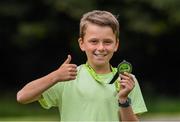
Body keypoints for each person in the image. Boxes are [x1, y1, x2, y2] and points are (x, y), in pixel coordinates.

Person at [17, 10, 147, 121]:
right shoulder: (67, 77)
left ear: (116, 45)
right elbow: (22, 97)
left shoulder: (127, 81)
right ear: (82, 43)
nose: (101, 48)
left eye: (107, 42)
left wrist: (123, 99)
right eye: (94, 41)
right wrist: (55, 76)